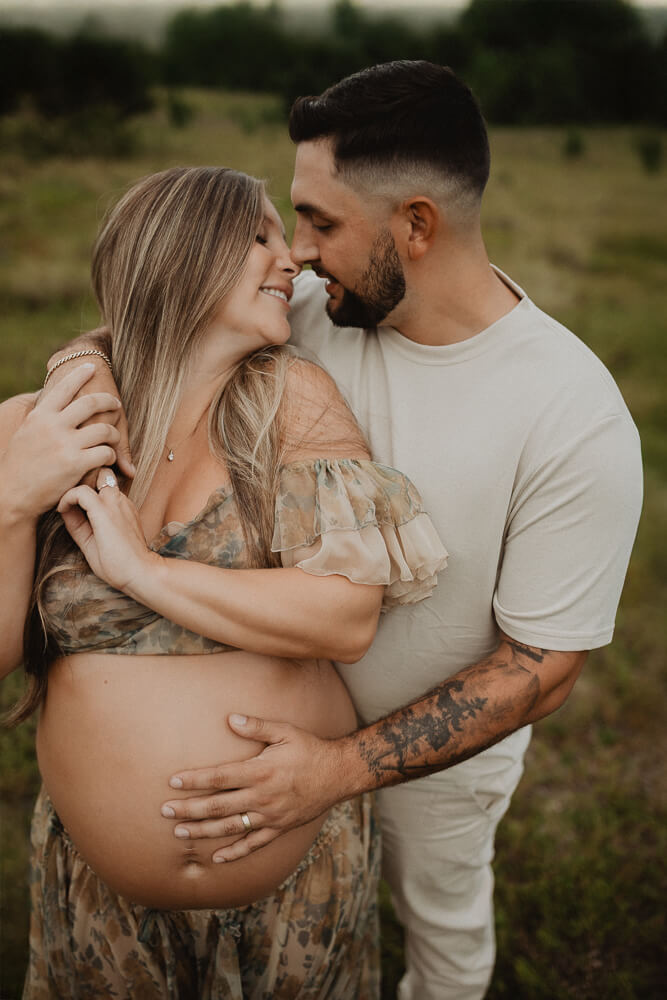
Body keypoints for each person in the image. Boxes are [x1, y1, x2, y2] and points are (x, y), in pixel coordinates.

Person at [24, 62, 643, 999]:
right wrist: (70, 389)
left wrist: (337, 770)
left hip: (434, 747)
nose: (301, 252)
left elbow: (541, 667)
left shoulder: (570, 414)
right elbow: (160, 320)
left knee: (441, 940)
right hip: (285, 697)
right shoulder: (307, 316)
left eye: (319, 223)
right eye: (288, 224)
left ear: (416, 226)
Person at [0, 165, 448, 998]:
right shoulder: (38, 426)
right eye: (260, 236)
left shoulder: (291, 400)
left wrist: (144, 571)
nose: (293, 261)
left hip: (294, 883)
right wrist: (7, 504)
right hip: (100, 899)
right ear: (184, 251)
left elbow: (343, 618)